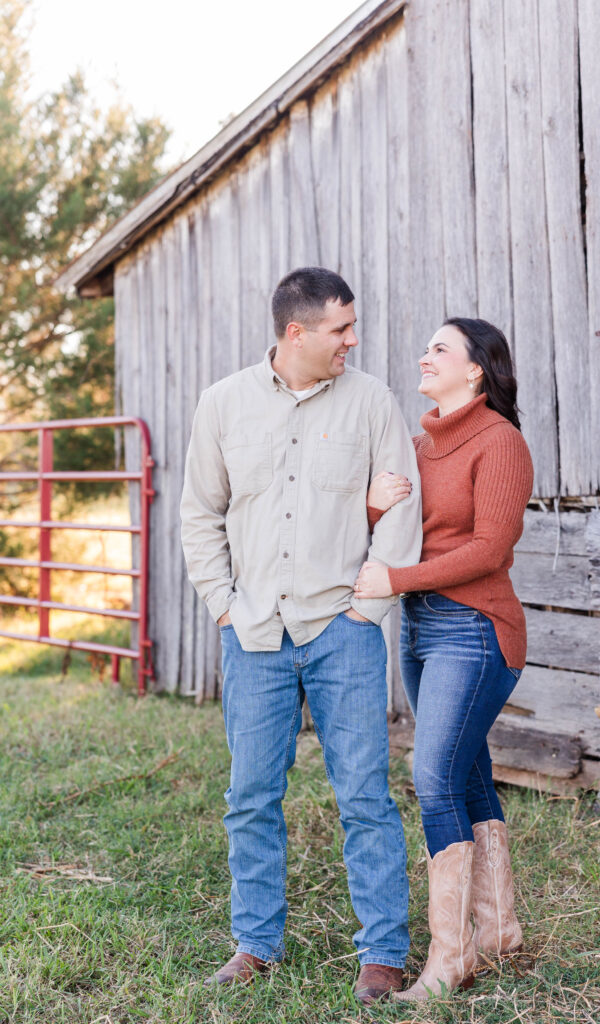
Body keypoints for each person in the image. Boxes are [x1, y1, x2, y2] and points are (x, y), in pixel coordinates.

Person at [179, 267, 422, 1004]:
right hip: (252, 634)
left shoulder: (372, 401)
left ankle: (381, 951)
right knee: (250, 795)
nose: (353, 340)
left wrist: (366, 610)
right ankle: (255, 944)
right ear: (296, 333)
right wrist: (223, 605)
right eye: (340, 329)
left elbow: (401, 515)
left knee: (365, 797)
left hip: (341, 631)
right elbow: (199, 514)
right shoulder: (222, 404)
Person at [354, 317, 534, 1001]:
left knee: (431, 777)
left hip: (476, 629)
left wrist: (394, 580)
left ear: (475, 370)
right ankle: (496, 931)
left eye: (438, 349)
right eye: (425, 346)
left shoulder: (500, 443)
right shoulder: (415, 446)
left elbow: (488, 548)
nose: (422, 356)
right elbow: (395, 527)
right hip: (421, 628)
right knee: (465, 775)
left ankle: (449, 958)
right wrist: (374, 510)